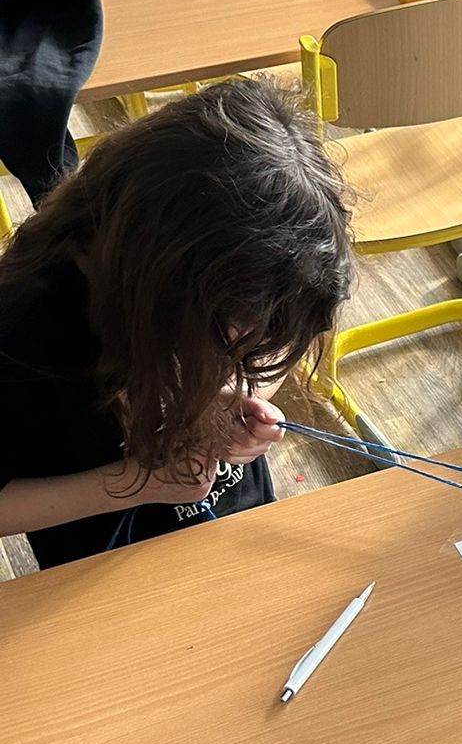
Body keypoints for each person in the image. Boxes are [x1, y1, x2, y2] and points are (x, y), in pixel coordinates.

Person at [0, 77, 351, 570]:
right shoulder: (22, 331)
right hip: (109, 578)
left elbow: (276, 343)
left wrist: (238, 399)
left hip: (240, 534)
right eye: (232, 334)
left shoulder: (230, 285)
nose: (242, 353)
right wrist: (136, 482)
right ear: (169, 284)